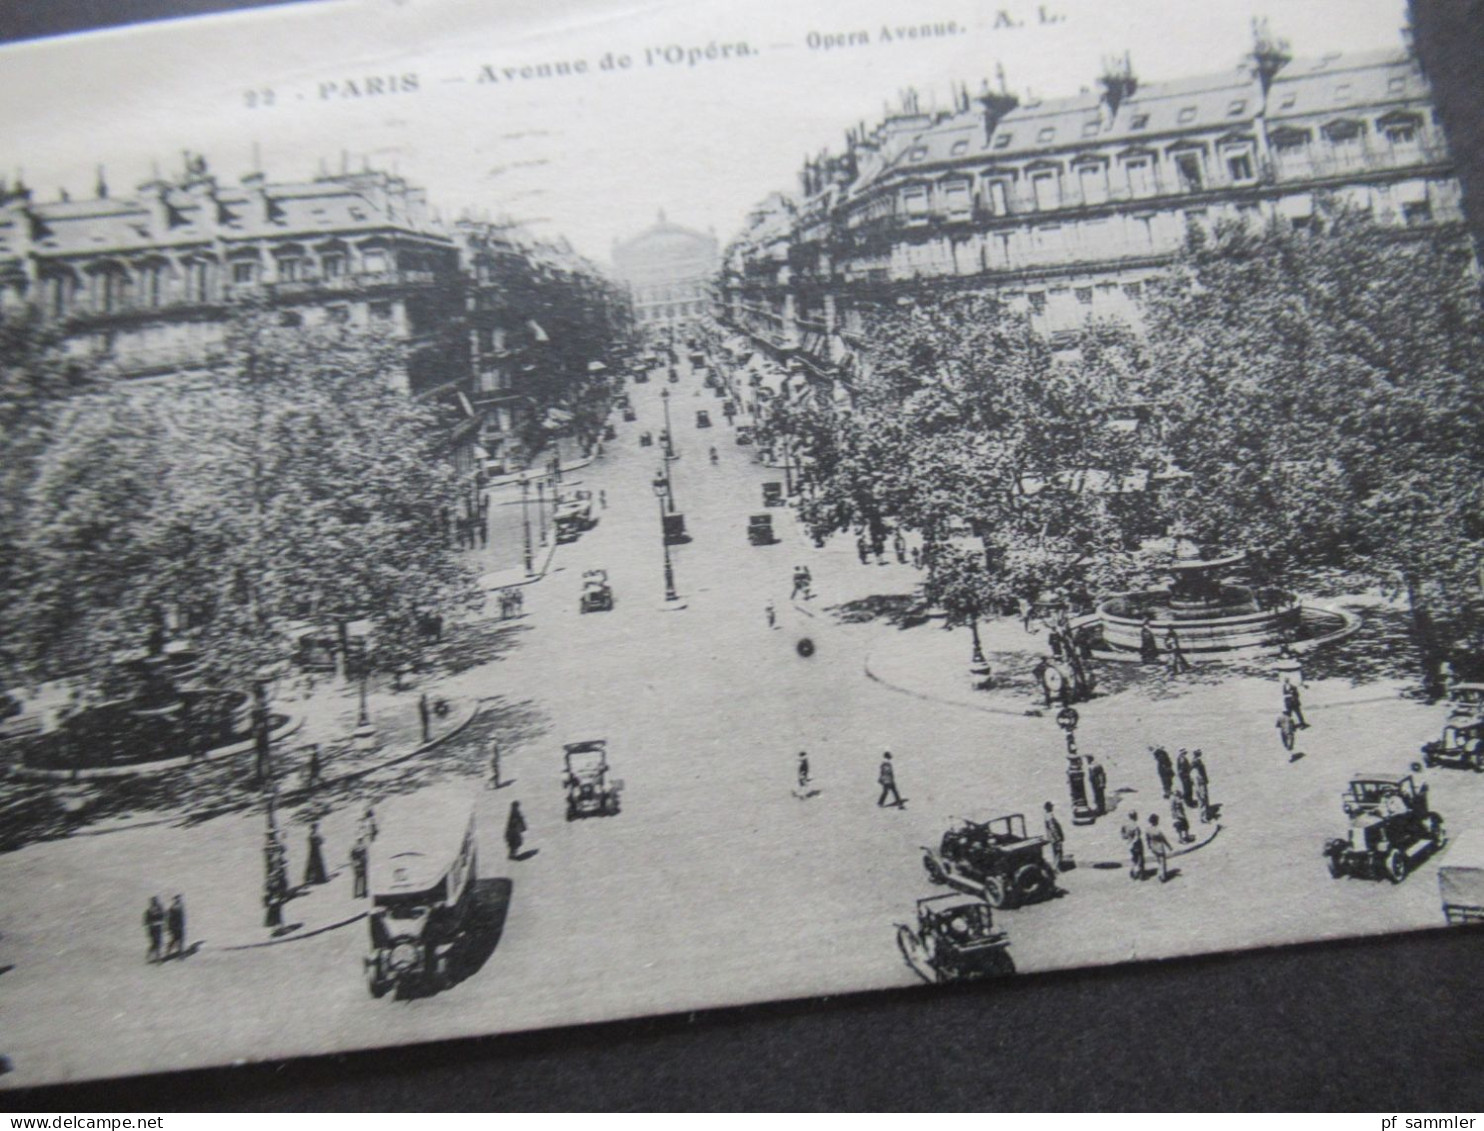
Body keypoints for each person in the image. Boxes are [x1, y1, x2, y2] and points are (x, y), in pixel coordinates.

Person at [1146, 814, 1174, 882]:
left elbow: (1147, 839)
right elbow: (1164, 840)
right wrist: (1169, 847)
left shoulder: (1148, 830)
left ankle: (1160, 874)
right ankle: (1163, 876)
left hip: (1153, 847)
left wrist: (1149, 846)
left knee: (1158, 861)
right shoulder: (1158, 831)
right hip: (1159, 848)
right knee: (1162, 862)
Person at [1121, 811, 1145, 880]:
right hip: (1137, 844)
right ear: (1134, 816)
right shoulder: (1135, 826)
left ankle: (1132, 871)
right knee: (1140, 859)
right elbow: (1137, 836)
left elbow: (1123, 835)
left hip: (1129, 843)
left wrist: (1128, 839)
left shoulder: (1126, 825)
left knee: (1134, 859)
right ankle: (1141, 874)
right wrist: (1135, 842)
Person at [1043, 801, 1066, 871]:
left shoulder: (1046, 816)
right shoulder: (1050, 816)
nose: (1052, 807)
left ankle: (1057, 867)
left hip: (1052, 838)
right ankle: (1057, 868)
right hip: (1055, 838)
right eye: (1051, 806)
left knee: (1055, 852)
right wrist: (1058, 838)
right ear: (1049, 807)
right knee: (1058, 853)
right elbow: (1053, 828)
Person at [304, 821, 328, 886]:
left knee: (312, 864)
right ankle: (320, 878)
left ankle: (311, 878)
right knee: (318, 864)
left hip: (312, 851)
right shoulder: (315, 835)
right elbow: (321, 841)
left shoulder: (311, 835)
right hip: (316, 851)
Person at [1191, 750, 1212, 822]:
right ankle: (1204, 817)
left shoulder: (1195, 764)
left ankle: (1205, 815)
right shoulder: (1196, 773)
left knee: (1203, 801)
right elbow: (1198, 785)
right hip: (1200, 786)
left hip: (1201, 785)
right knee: (1203, 800)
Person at [144, 896, 166, 963]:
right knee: (155, 943)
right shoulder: (149, 911)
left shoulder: (160, 909)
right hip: (152, 929)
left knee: (158, 943)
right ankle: (154, 955)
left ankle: (157, 957)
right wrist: (152, 923)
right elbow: (146, 922)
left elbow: (164, 916)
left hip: (158, 929)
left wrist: (161, 922)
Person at [165, 894, 186, 959]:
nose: (180, 900)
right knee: (176, 940)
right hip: (176, 927)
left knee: (179, 940)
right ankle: (171, 952)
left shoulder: (180, 906)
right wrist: (169, 927)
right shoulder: (174, 908)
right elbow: (169, 918)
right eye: (179, 899)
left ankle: (179, 953)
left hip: (180, 926)